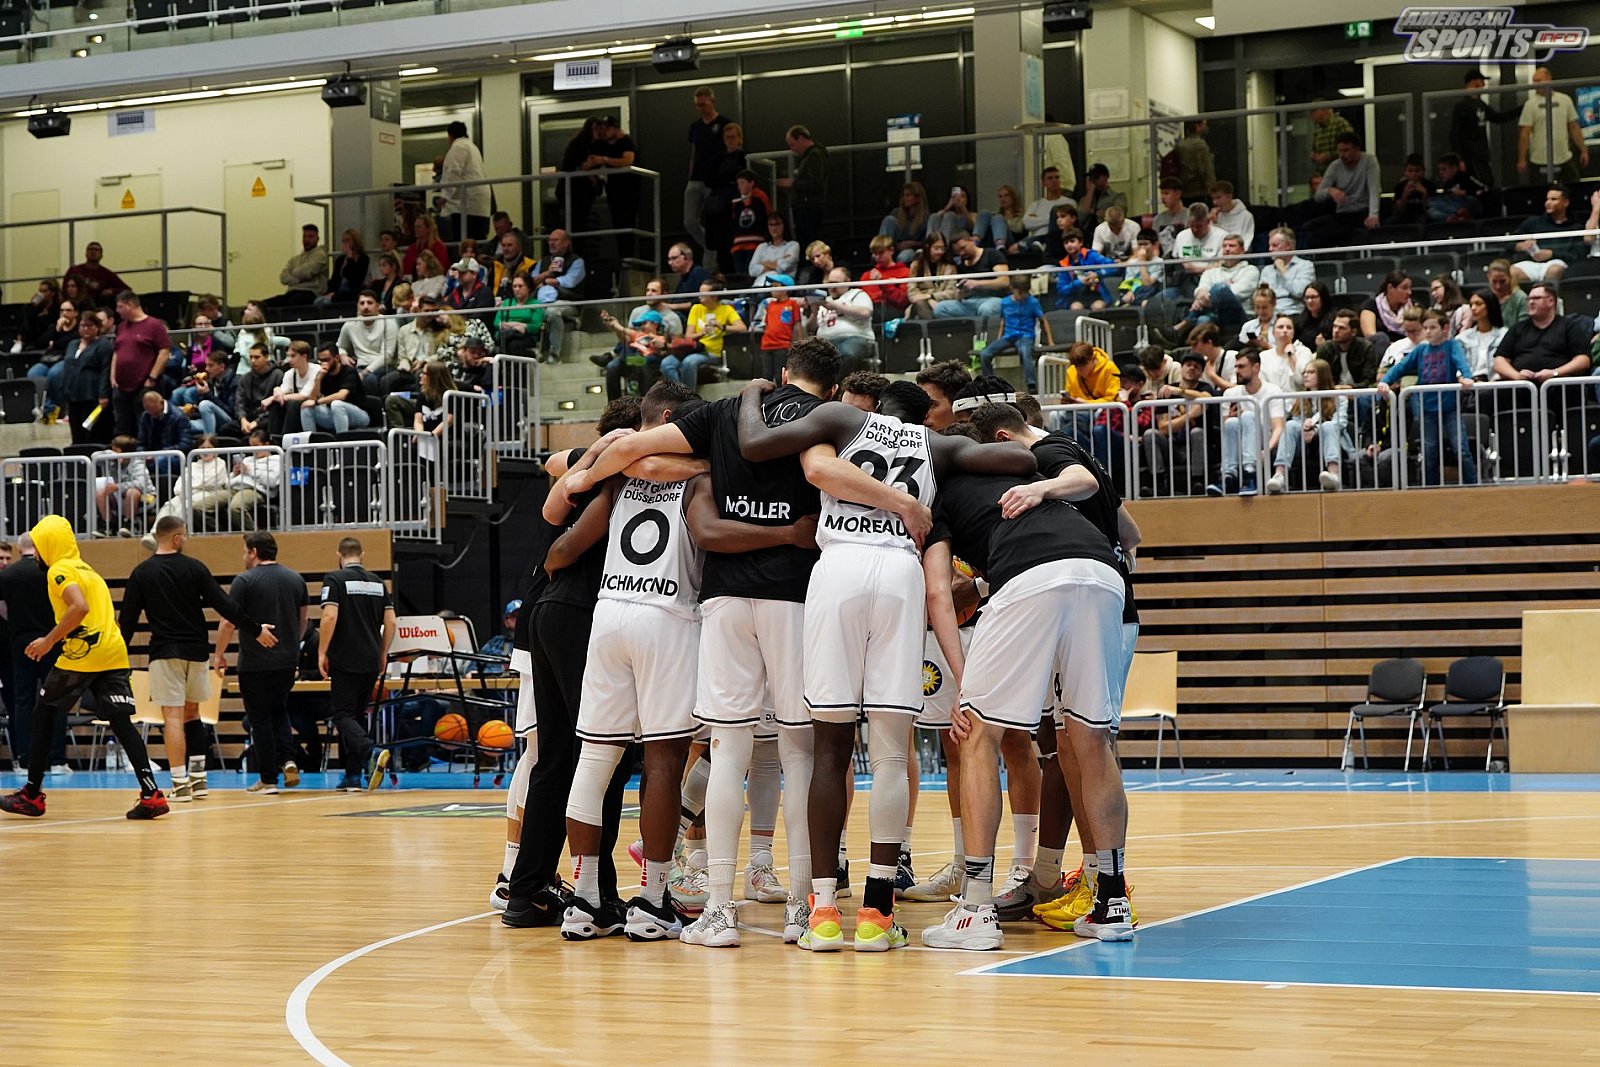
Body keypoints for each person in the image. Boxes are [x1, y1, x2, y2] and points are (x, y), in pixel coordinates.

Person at [552, 342, 880, 948]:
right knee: (793, 755)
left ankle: (705, 909)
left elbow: (593, 489)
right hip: (778, 597)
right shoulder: (830, 422)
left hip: (699, 602)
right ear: (832, 389)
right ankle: (802, 910)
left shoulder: (719, 416)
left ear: (782, 373)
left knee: (712, 753)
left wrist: (582, 474)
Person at [734, 377, 1035, 952]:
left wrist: (750, 394)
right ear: (923, 418)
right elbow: (1018, 458)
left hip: (838, 570)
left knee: (829, 748)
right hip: (900, 574)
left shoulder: (842, 420)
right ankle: (877, 913)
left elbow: (753, 442)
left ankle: (824, 912)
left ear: (876, 407)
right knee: (893, 753)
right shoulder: (936, 445)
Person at [908, 405, 1130, 949]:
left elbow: (939, 593)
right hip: (1103, 572)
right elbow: (1109, 506)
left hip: (1031, 576)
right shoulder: (1024, 467)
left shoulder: (935, 492)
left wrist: (964, 685)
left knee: (977, 734)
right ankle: (1112, 903)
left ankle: (975, 910)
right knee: (1092, 740)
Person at [558, 383, 714, 943]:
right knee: (664, 760)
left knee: (594, 759)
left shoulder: (620, 473)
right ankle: (651, 900)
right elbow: (709, 534)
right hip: (667, 615)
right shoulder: (699, 477)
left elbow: (565, 547)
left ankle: (585, 900)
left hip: (609, 613)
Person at [0, 516, 168, 820]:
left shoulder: (59, 570)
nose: (36, 555)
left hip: (83, 653)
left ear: (49, 545)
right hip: (113, 652)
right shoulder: (90, 571)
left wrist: (48, 641)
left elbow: (79, 607)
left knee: (43, 715)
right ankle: (152, 794)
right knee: (121, 723)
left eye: (38, 547)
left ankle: (32, 795)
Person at [120, 515, 273, 799]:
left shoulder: (142, 573)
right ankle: (199, 780)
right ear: (176, 538)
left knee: (172, 717)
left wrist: (115, 659)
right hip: (197, 652)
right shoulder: (195, 568)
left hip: (165, 653)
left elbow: (127, 622)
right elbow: (225, 605)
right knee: (193, 714)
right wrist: (256, 630)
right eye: (186, 535)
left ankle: (180, 783)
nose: (187, 540)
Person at [213, 531, 306, 794]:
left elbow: (228, 621)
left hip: (255, 663)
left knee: (260, 718)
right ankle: (288, 759)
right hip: (287, 661)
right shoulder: (296, 579)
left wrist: (219, 654)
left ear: (254, 552)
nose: (243, 556)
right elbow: (302, 622)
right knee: (279, 709)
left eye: (245, 551)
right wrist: (290, 646)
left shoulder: (244, 580)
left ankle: (268, 779)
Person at [317, 536, 396, 792]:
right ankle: (352, 775)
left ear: (338, 555)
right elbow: (391, 622)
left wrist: (322, 651)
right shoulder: (378, 583)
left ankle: (370, 751)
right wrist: (383, 653)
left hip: (346, 657)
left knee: (343, 714)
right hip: (371, 658)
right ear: (362, 555)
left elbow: (329, 616)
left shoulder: (335, 579)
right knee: (357, 715)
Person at [1380, 310, 1478, 487]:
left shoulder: (1452, 346)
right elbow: (1401, 367)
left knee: (1461, 448)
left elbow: (1461, 362)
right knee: (1429, 451)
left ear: (1445, 328)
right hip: (1427, 409)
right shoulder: (1421, 349)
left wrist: (1467, 376)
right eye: (1425, 328)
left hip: (1450, 408)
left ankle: (1473, 485)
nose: (1428, 331)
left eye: (1433, 327)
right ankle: (1429, 488)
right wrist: (1385, 380)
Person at [0, 533, 69, 778]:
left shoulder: (6, 575)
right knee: (55, 698)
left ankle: (24, 760)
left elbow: (3, 610)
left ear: (19, 549)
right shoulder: (51, 572)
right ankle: (58, 760)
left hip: (20, 643)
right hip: (51, 639)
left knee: (23, 701)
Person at [1206, 349, 1284, 497]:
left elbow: (1278, 427)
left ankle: (1250, 472)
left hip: (1264, 443)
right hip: (1239, 443)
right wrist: (1229, 417)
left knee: (1248, 415)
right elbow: (1226, 429)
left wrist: (1267, 449)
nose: (1237, 371)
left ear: (1256, 367)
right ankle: (1228, 476)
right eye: (1236, 367)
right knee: (1231, 422)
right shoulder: (1230, 393)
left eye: (1241, 367)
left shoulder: (1273, 391)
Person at [1266, 358, 1348, 494]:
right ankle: (1279, 475)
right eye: (1304, 372)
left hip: (1328, 441)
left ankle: (1334, 474)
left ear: (1322, 374)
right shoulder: (1302, 398)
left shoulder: (1338, 397)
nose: (1305, 375)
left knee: (1329, 426)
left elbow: (1341, 422)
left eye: (1311, 372)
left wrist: (1316, 430)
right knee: (1291, 425)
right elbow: (1297, 420)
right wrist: (1303, 427)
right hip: (1304, 443)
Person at [108, 291, 171, 438]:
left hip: (144, 384)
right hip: (121, 386)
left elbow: (164, 352)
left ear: (130, 305)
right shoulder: (121, 327)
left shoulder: (154, 325)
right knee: (121, 424)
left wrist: (152, 377)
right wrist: (112, 376)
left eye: (120, 307)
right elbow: (117, 352)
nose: (117, 311)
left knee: (144, 423)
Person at [1303, 133, 1380, 245]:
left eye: (1346, 150)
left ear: (1357, 149)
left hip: (1362, 211)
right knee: (1311, 228)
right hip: (1343, 214)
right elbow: (1318, 196)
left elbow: (1374, 190)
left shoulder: (1369, 161)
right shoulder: (1335, 166)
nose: (1342, 155)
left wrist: (1373, 215)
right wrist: (1330, 191)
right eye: (1339, 151)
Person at [684, 87, 732, 263]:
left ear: (712, 102)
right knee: (689, 220)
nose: (701, 108)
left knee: (714, 221)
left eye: (704, 104)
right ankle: (710, 246)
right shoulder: (695, 127)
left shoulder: (724, 123)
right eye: (698, 105)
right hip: (696, 178)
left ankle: (712, 256)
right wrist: (690, 174)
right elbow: (694, 152)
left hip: (715, 179)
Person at [1517, 67, 1587, 183]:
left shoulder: (1565, 100)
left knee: (1573, 189)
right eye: (1534, 81)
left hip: (1564, 157)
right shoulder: (1530, 105)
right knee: (1541, 192)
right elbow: (1525, 133)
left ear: (1549, 79)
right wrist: (1521, 159)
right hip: (1540, 160)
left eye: (1538, 80)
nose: (1536, 84)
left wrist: (1583, 149)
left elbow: (1574, 127)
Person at [980, 277, 1050, 391]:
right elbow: (1003, 322)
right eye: (1020, 293)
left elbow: (1043, 321)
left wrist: (1050, 341)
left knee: (1025, 351)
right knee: (985, 354)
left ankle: (1031, 385)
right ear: (1013, 289)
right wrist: (999, 338)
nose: (1022, 296)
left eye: (1025, 293)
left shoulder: (1033, 302)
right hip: (1008, 336)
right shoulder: (1005, 302)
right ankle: (989, 384)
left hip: (1025, 335)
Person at [1450, 69, 1518, 186]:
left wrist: (1520, 110)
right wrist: (1460, 159)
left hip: (1481, 154)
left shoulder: (1480, 104)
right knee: (1478, 184)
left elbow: (1498, 118)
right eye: (1481, 82)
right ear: (1474, 82)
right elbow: (1455, 134)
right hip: (1470, 156)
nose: (1484, 85)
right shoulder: (1462, 105)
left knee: (1487, 183)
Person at [589, 115, 642, 258]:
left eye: (607, 128)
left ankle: (629, 257)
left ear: (615, 128)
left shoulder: (625, 141)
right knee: (617, 224)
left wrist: (605, 160)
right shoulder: (600, 144)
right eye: (602, 128)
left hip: (630, 189)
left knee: (628, 223)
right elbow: (590, 160)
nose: (604, 131)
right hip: (613, 189)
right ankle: (623, 257)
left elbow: (627, 160)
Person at [1510, 185, 1585, 285]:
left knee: (1554, 270)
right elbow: (1508, 243)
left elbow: (1578, 254)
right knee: (1512, 272)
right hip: (1530, 263)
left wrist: (1552, 254)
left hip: (1558, 263)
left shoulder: (1575, 227)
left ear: (1566, 202)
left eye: (1553, 199)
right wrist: (1520, 246)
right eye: (1547, 199)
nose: (1548, 203)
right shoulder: (1532, 222)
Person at [529, 229, 586, 359]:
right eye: (550, 240)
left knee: (552, 311)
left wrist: (548, 282)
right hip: (542, 301)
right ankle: (532, 351)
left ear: (566, 243)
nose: (552, 243)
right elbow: (530, 282)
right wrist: (547, 273)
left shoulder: (577, 261)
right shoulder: (543, 261)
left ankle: (554, 354)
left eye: (556, 240)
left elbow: (570, 282)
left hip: (569, 301)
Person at [59, 314, 113, 446]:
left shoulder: (104, 345)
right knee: (76, 432)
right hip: (73, 393)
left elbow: (106, 370)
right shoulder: (73, 344)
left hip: (92, 394)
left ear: (97, 327)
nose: (86, 329)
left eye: (90, 326)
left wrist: (103, 394)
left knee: (92, 432)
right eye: (83, 326)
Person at [935, 232, 1010, 319]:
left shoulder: (992, 254)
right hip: (969, 302)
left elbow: (1005, 282)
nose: (962, 253)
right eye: (958, 252)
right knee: (940, 308)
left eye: (963, 248)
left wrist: (976, 283)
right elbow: (958, 294)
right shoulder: (961, 265)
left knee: (986, 309)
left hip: (993, 298)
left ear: (971, 241)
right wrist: (960, 293)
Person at [437, 120, 490, 240]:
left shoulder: (458, 147)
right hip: (479, 203)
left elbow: (453, 172)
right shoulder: (473, 147)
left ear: (450, 135)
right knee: (477, 241)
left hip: (465, 205)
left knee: (463, 241)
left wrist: (445, 196)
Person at [777, 125, 828, 251]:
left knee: (808, 244)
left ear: (800, 138)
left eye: (792, 144)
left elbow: (816, 184)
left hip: (808, 210)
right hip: (808, 208)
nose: (792, 149)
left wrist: (793, 184)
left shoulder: (814, 156)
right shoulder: (814, 155)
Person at [300, 343, 369, 433]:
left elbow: (341, 395)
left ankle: (342, 440)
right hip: (333, 414)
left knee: (337, 404)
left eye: (326, 360)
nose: (323, 363)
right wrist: (318, 379)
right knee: (306, 407)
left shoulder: (349, 372)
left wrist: (317, 402)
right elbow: (312, 399)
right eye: (320, 361)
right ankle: (310, 440)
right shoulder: (323, 374)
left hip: (358, 415)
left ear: (337, 358)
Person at [226, 428, 281, 528]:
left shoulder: (277, 459)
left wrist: (249, 470)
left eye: (256, 446)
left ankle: (254, 534)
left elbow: (272, 481)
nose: (253, 450)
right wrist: (234, 474)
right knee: (200, 506)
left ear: (267, 444)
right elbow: (228, 482)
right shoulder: (247, 459)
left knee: (235, 507)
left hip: (255, 490)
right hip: (234, 488)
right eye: (251, 446)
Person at [264, 225, 329, 308]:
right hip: (292, 292)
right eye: (304, 236)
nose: (306, 240)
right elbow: (283, 277)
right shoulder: (295, 259)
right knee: (263, 305)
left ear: (317, 238)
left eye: (310, 237)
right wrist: (297, 278)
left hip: (311, 292)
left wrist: (292, 274)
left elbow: (307, 272)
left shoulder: (320, 256)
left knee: (291, 304)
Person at [1315, 310, 1379, 390]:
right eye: (1334, 326)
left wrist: (1351, 388)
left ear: (1353, 332)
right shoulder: (1325, 348)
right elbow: (1320, 379)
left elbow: (1369, 380)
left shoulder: (1366, 348)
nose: (1336, 331)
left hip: (1359, 393)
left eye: (1342, 328)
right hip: (1332, 393)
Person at [1055, 227, 1117, 310]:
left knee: (1098, 307)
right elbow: (1062, 290)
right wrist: (1078, 283)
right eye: (1066, 243)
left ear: (1081, 242)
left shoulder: (1091, 255)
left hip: (1096, 295)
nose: (1069, 245)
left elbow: (1113, 267)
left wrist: (1097, 274)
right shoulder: (1064, 264)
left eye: (1072, 241)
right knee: (1076, 308)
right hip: (1075, 298)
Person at [725, 168, 771, 276]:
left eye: (742, 183)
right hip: (738, 245)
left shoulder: (760, 197)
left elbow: (768, 214)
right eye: (738, 183)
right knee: (741, 276)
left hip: (755, 244)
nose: (739, 186)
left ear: (751, 183)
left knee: (751, 274)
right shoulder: (736, 201)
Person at [906, 233, 960, 320]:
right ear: (927, 247)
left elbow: (952, 292)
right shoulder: (916, 265)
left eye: (942, 248)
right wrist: (928, 300)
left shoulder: (950, 267)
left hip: (943, 303)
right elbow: (912, 292)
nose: (940, 252)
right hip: (919, 303)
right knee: (920, 304)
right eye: (936, 248)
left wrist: (931, 296)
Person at [136, 388, 194, 466]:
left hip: (173, 456)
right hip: (151, 456)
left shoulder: (179, 416)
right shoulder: (146, 416)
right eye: (149, 411)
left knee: (161, 461)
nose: (152, 414)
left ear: (161, 403)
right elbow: (141, 442)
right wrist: (142, 453)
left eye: (155, 412)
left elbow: (185, 444)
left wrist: (160, 453)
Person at [1456, 289, 1505, 380]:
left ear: (1490, 305)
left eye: (1478, 304)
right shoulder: (1462, 338)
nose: (1473, 308)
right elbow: (1458, 366)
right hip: (1469, 384)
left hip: (1497, 384)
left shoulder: (1504, 335)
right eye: (1471, 305)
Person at [1022, 166, 1075, 246]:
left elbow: (1068, 223)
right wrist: (1053, 219)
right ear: (1044, 183)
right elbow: (1027, 223)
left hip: (1058, 239)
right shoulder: (1035, 205)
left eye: (1057, 177)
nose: (1054, 180)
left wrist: (1037, 219)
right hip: (1036, 240)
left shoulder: (1069, 203)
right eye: (1050, 178)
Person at [1429, 153, 1489, 222]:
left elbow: (1484, 189)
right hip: (1455, 204)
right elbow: (1443, 193)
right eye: (1440, 170)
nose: (1441, 173)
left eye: (1444, 169)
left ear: (1454, 168)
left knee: (1436, 203)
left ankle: (1458, 213)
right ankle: (1453, 218)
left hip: (1471, 202)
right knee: (1432, 210)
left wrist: (1464, 192)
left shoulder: (1465, 177)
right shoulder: (1447, 183)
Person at [860, 235, 911, 316]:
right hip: (869, 312)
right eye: (875, 254)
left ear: (892, 250)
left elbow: (902, 301)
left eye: (881, 253)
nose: (877, 257)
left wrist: (883, 283)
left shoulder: (905, 272)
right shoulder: (866, 276)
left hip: (893, 311)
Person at [64, 242, 129, 304]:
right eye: (90, 249)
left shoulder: (106, 273)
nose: (93, 251)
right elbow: (64, 289)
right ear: (86, 254)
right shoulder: (74, 270)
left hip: (97, 305)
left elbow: (126, 289)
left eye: (96, 249)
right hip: (76, 304)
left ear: (101, 255)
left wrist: (112, 291)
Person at [319, 229, 370, 307]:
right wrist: (330, 292)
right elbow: (335, 279)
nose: (345, 243)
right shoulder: (340, 260)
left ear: (355, 242)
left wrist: (350, 259)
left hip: (352, 292)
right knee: (318, 301)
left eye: (348, 240)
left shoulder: (363, 259)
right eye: (343, 241)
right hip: (338, 291)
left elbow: (354, 280)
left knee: (325, 302)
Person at [927, 185, 984, 250]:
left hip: (959, 237)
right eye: (955, 197)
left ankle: (942, 247)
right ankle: (927, 246)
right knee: (934, 216)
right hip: (942, 235)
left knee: (950, 215)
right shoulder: (946, 213)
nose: (959, 199)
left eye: (963, 196)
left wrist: (963, 209)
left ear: (967, 199)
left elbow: (971, 227)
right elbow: (935, 219)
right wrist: (948, 206)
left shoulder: (972, 215)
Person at [748, 214, 799, 286]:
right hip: (759, 284)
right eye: (771, 225)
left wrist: (764, 263)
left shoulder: (793, 245)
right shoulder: (762, 247)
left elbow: (785, 266)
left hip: (782, 285)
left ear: (784, 226)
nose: (774, 228)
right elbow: (752, 270)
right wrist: (778, 262)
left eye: (777, 224)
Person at [1387, 154, 1434, 225]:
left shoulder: (1430, 185)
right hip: (1405, 215)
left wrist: (1424, 194)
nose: (1414, 174)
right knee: (1390, 222)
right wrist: (1405, 195)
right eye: (1410, 171)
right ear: (1405, 172)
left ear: (1423, 172)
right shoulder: (1399, 187)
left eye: (1417, 171)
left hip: (1422, 214)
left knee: (1423, 220)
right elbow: (1399, 210)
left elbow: (1430, 209)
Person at [1208, 181, 1255, 250]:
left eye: (1218, 198)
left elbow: (1247, 240)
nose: (1215, 202)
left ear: (1229, 196)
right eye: (1213, 198)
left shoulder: (1246, 216)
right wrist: (1213, 223)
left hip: (1237, 253)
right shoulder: (1215, 215)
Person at [1177, 119, 1217, 200]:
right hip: (1198, 190)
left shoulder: (1180, 145)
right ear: (1197, 126)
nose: (1206, 127)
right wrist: (1213, 189)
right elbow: (1205, 169)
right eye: (1204, 124)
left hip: (1183, 189)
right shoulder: (1200, 145)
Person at [402, 215, 450, 281]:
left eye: (419, 227)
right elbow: (405, 268)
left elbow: (441, 269)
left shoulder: (438, 247)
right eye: (415, 227)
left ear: (428, 229)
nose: (415, 229)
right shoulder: (412, 248)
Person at [1308, 106, 1355, 171]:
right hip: (1324, 172)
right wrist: (1314, 156)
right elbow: (1314, 149)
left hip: (1342, 170)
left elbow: (1351, 147)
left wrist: (1328, 156)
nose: (1310, 114)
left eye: (1313, 111)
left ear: (1324, 110)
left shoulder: (1340, 124)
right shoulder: (1317, 129)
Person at [1486, 259, 1528, 328]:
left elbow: (1523, 328)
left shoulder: (1521, 298)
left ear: (1510, 277)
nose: (1498, 286)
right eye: (1494, 281)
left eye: (1502, 281)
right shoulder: (1484, 299)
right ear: (1488, 277)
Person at [1295, 282, 1333, 351]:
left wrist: (1324, 345)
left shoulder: (1333, 320)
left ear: (1323, 298)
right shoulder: (1300, 321)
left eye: (1313, 297)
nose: (1309, 301)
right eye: (1307, 297)